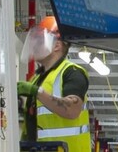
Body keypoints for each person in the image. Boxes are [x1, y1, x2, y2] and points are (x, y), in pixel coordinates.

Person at [18, 16, 91, 151]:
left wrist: (37, 92)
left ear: (57, 45)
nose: (35, 45)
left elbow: (72, 110)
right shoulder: (37, 78)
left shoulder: (72, 73)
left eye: (41, 40)